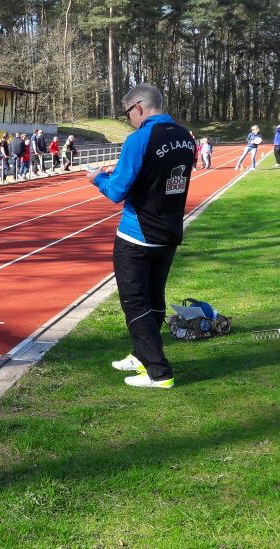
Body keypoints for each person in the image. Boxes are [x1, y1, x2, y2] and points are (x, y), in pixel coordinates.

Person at [87, 84, 194, 389]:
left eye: (127, 113)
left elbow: (117, 191)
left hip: (138, 234)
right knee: (155, 298)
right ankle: (141, 354)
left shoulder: (140, 139)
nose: (129, 119)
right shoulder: (185, 136)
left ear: (138, 107)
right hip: (170, 230)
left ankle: (159, 371)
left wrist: (97, 178)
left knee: (135, 303)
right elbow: (160, 177)